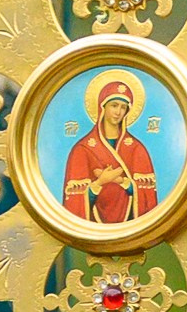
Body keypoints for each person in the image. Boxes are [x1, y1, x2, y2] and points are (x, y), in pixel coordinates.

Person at [61, 75, 160, 231]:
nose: (118, 112)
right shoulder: (82, 149)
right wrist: (100, 182)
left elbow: (148, 200)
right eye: (114, 105)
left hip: (131, 226)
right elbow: (74, 204)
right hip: (94, 229)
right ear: (103, 107)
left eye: (123, 107)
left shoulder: (136, 148)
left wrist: (122, 181)